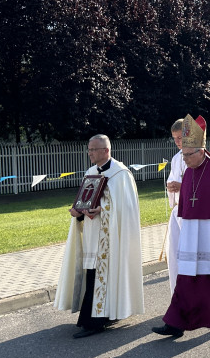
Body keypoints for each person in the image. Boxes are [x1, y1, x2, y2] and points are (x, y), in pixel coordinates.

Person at [154, 115, 210, 338]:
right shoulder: (190, 171)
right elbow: (185, 204)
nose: (185, 160)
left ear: (201, 151)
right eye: (183, 155)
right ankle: (175, 323)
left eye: (188, 155)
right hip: (191, 233)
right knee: (186, 279)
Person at [55, 135, 144, 338]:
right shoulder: (91, 172)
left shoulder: (121, 174)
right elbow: (85, 199)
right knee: (92, 273)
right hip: (92, 233)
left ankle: (95, 321)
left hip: (112, 238)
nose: (90, 153)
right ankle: (99, 316)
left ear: (106, 150)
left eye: (93, 150)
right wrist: (78, 211)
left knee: (102, 275)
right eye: (89, 149)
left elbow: (126, 209)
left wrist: (101, 209)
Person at [166, 119, 188, 295]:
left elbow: (201, 186)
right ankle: (178, 295)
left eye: (180, 137)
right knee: (174, 254)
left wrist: (182, 188)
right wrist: (171, 187)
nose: (178, 142)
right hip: (177, 211)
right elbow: (173, 179)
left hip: (191, 213)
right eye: (174, 138)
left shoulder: (198, 157)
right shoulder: (176, 159)